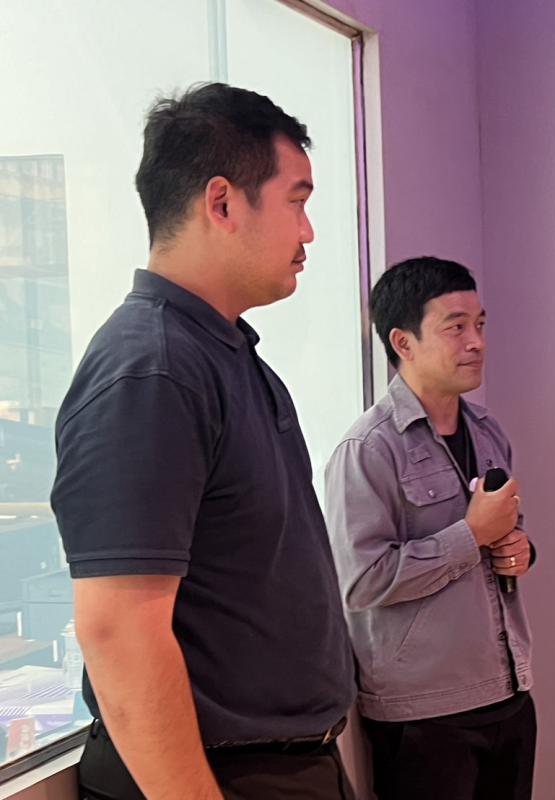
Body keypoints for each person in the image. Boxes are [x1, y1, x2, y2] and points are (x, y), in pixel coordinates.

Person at [50, 83, 355, 800]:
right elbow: (120, 631)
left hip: (282, 764)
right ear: (221, 203)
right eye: (296, 201)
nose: (308, 232)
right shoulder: (152, 370)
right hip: (219, 775)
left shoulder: (226, 355)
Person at [325, 257, 536, 800]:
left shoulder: (488, 432)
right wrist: (471, 536)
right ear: (403, 342)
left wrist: (519, 550)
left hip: (508, 691)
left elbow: (508, 534)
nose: (477, 342)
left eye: (480, 324)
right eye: (455, 327)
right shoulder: (367, 449)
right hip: (424, 716)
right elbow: (361, 582)